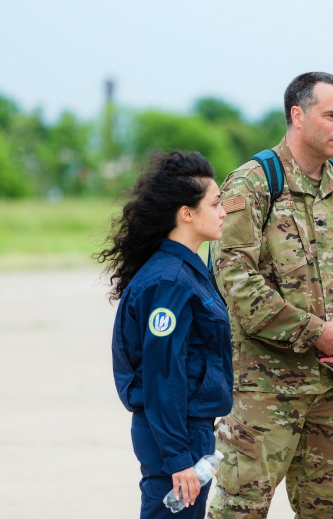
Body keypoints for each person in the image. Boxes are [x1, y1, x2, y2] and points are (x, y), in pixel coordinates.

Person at [206, 72, 333, 519]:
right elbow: (235, 280)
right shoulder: (252, 184)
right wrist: (314, 334)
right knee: (239, 511)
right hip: (264, 396)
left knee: (332, 512)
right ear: (298, 115)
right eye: (331, 115)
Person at [95, 149, 233, 519]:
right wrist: (178, 458)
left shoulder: (188, 271)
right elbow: (162, 375)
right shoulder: (170, 282)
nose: (223, 212)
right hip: (175, 436)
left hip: (188, 431)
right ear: (186, 213)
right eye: (215, 203)